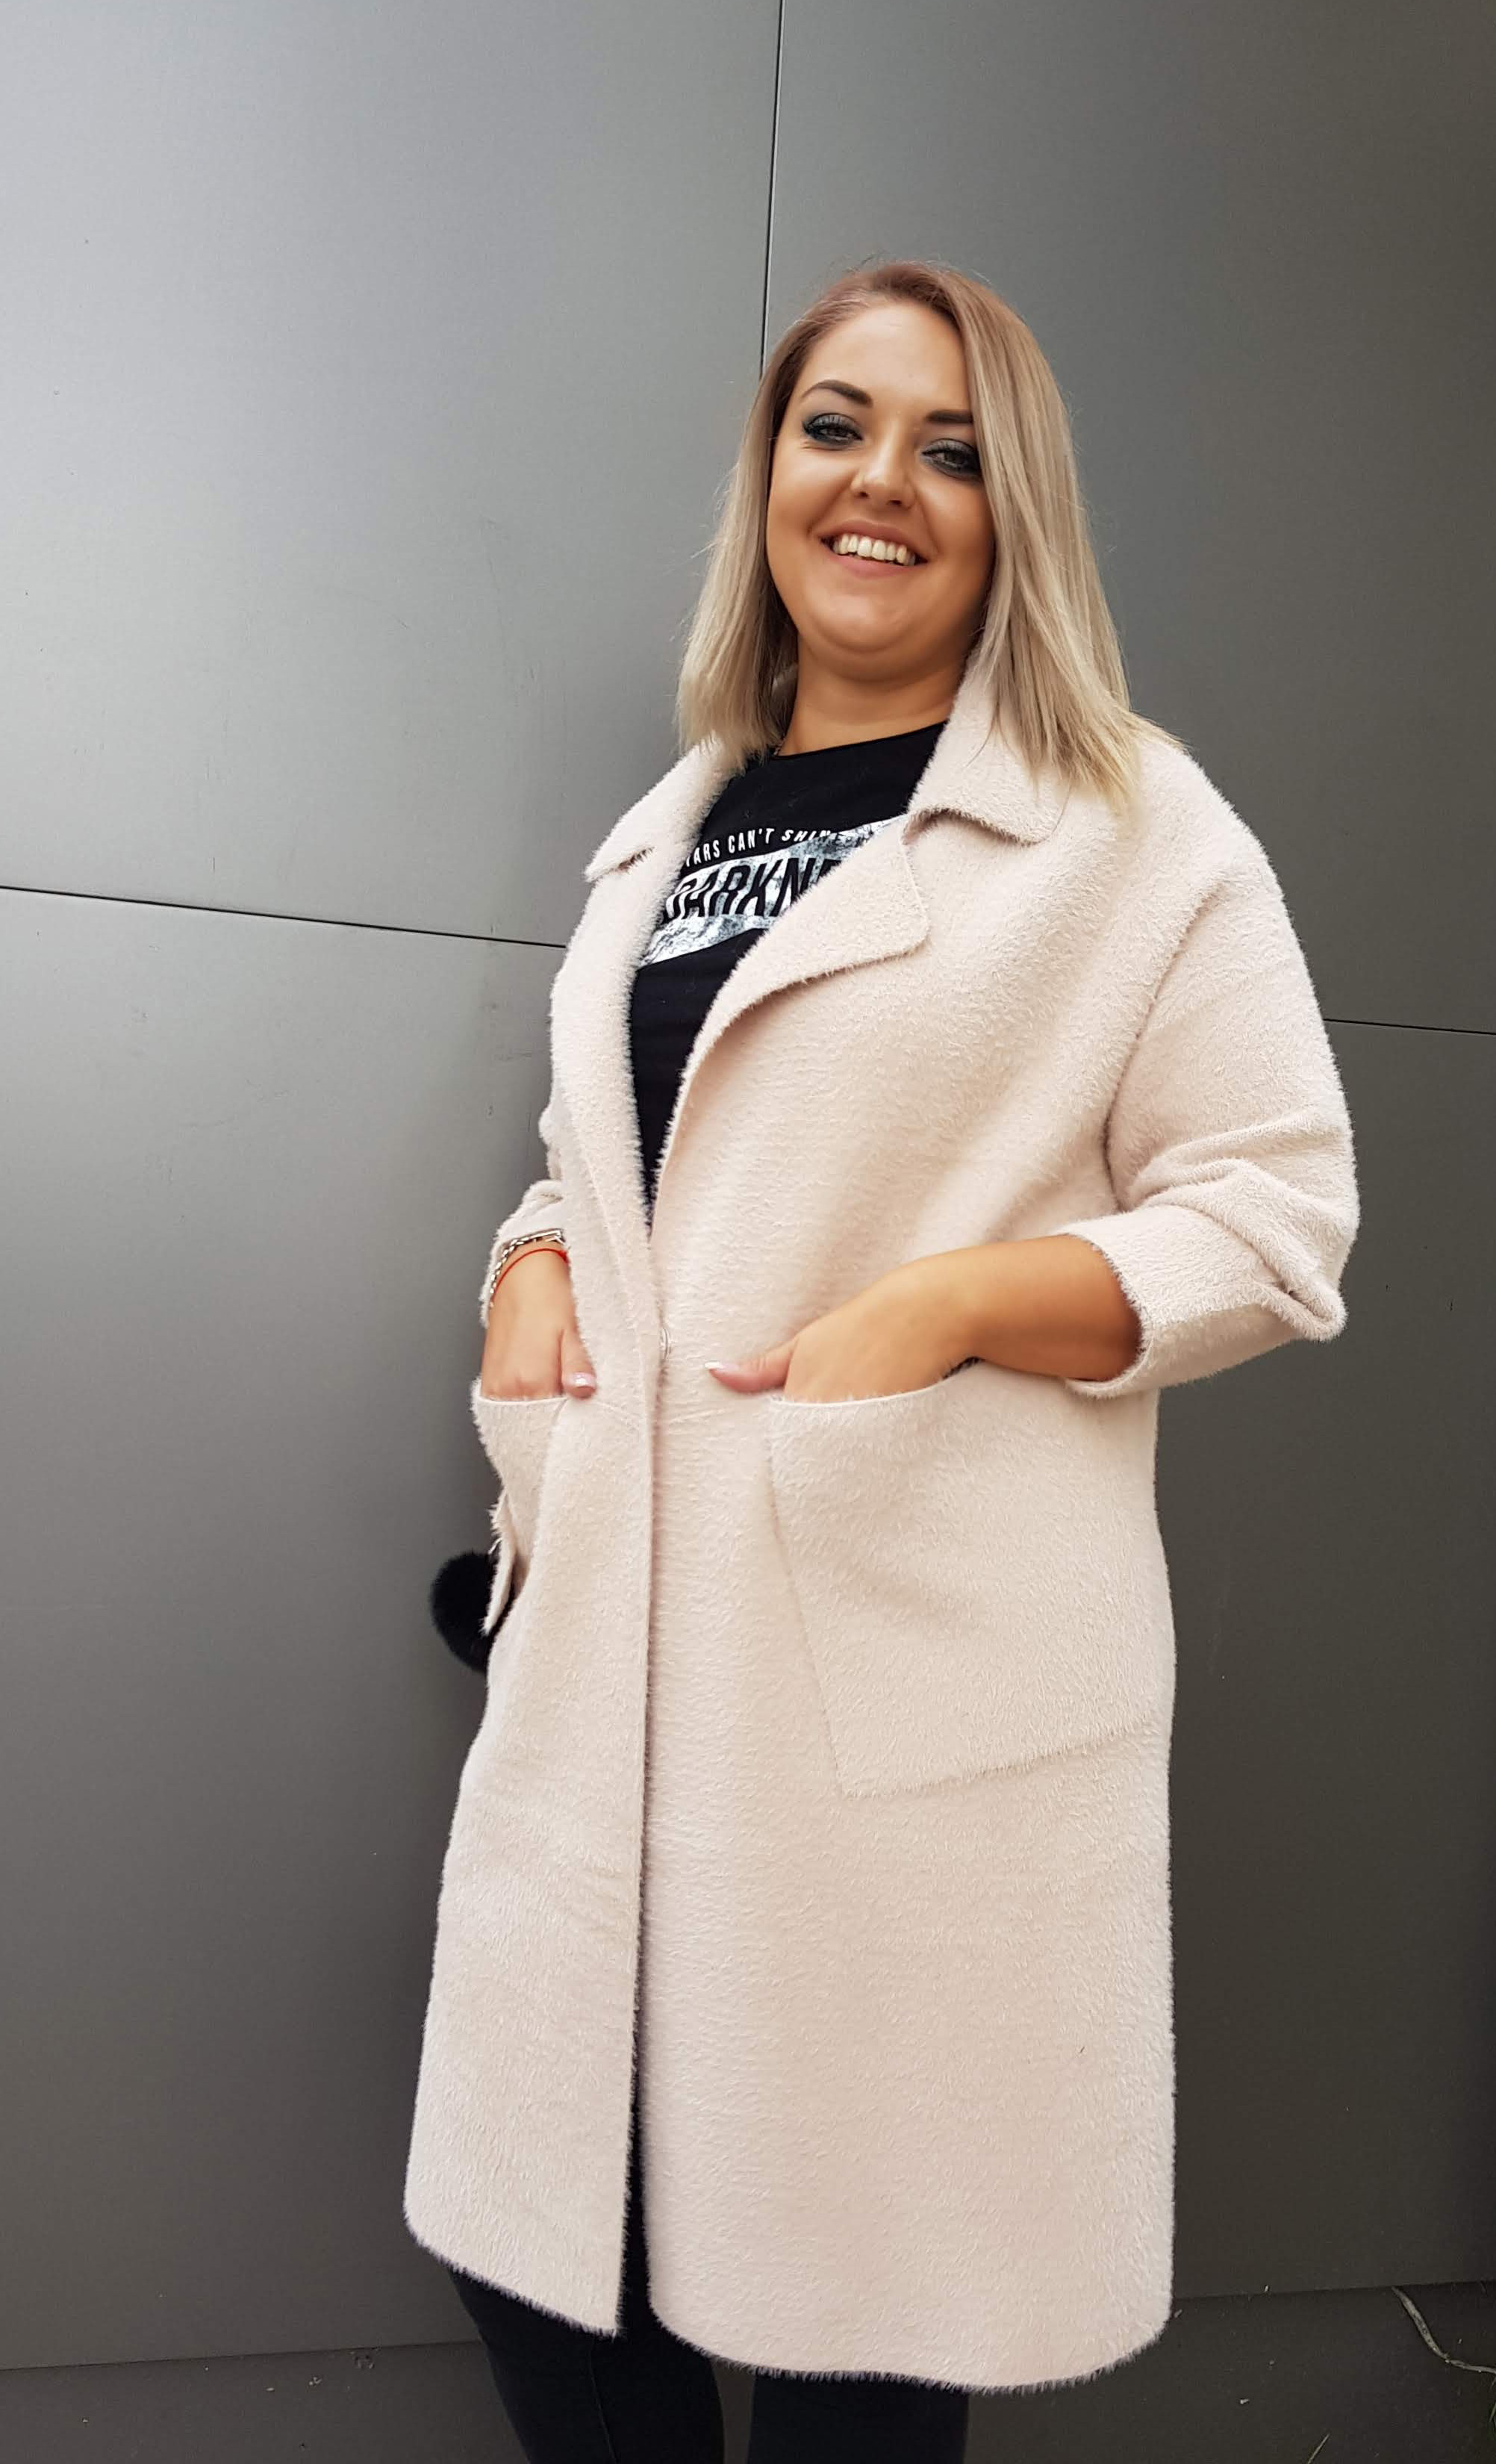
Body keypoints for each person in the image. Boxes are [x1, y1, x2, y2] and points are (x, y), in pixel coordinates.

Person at [404, 260, 1359, 2462]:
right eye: (836, 426)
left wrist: (946, 1304)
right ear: (770, 471)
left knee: (861, 2313)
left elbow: (1275, 1210)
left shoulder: (1127, 827)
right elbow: (614, 1161)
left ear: (1016, 514)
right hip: (618, 1671)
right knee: (541, 2239)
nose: (881, 485)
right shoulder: (676, 826)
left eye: (952, 450)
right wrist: (528, 1262)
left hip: (894, 1683)